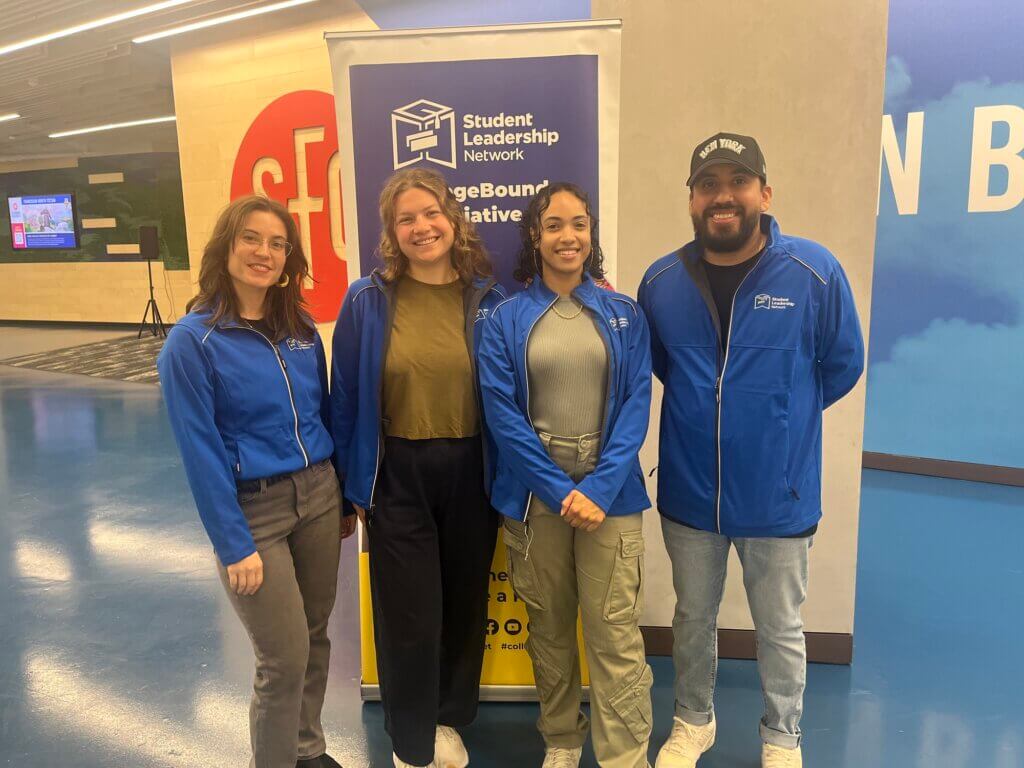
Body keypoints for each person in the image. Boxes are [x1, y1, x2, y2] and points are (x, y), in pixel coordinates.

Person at [637, 133, 865, 768]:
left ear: (764, 193)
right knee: (692, 621)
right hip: (689, 492)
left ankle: (781, 737)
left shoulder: (814, 272)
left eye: (737, 182)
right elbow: (660, 368)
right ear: (691, 201)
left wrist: (781, 419)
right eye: (708, 184)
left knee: (781, 630)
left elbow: (842, 364)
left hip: (778, 495)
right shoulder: (661, 280)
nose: (723, 196)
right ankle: (692, 721)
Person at [157, 194, 354, 768]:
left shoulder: (299, 329)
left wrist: (339, 494)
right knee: (283, 657)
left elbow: (320, 414)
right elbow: (201, 452)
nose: (263, 253)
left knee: (315, 636)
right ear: (227, 245)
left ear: (288, 257)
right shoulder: (192, 343)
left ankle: (307, 749)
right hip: (255, 513)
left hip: (318, 496)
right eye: (251, 238)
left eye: (277, 243)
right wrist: (233, 543)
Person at [330, 167, 506, 768]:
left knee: (463, 604)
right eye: (405, 219)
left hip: (471, 471)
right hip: (395, 470)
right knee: (408, 613)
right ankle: (411, 741)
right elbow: (346, 396)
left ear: (452, 220)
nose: (420, 227)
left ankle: (448, 720)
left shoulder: (489, 298)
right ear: (391, 233)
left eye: (430, 213)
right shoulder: (367, 299)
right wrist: (348, 485)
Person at [478, 182, 654, 768]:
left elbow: (635, 404)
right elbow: (502, 415)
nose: (567, 236)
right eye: (553, 225)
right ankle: (561, 739)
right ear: (535, 235)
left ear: (591, 233)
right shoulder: (504, 318)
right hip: (535, 498)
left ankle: (624, 754)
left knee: (615, 633)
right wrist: (559, 492)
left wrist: (598, 489)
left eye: (578, 224)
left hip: (613, 495)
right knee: (549, 630)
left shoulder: (625, 314)